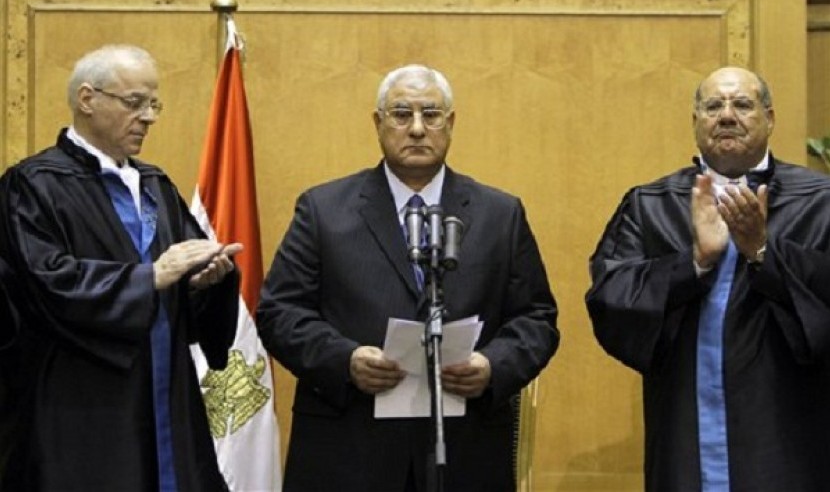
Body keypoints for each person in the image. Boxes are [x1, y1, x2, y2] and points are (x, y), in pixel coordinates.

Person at [256, 64, 559, 491]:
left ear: (450, 123)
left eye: (431, 115)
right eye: (401, 114)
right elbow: (279, 312)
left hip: (464, 451)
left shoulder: (499, 214)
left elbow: (536, 319)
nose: (417, 128)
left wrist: (493, 365)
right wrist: (344, 360)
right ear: (378, 123)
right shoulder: (323, 210)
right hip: (349, 450)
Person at [0, 44, 243, 491]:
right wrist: (148, 277)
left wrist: (208, 283)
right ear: (87, 99)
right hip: (79, 408)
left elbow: (186, 282)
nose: (148, 116)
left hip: (168, 396)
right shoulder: (33, 186)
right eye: (135, 103)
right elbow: (46, 285)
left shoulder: (155, 185)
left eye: (154, 104)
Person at [586, 66, 830, 491]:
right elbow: (611, 300)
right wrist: (695, 262)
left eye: (742, 104)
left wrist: (764, 252)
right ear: (696, 122)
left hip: (788, 433)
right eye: (713, 106)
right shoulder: (650, 205)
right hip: (685, 429)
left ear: (770, 118)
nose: (727, 115)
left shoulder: (820, 201)